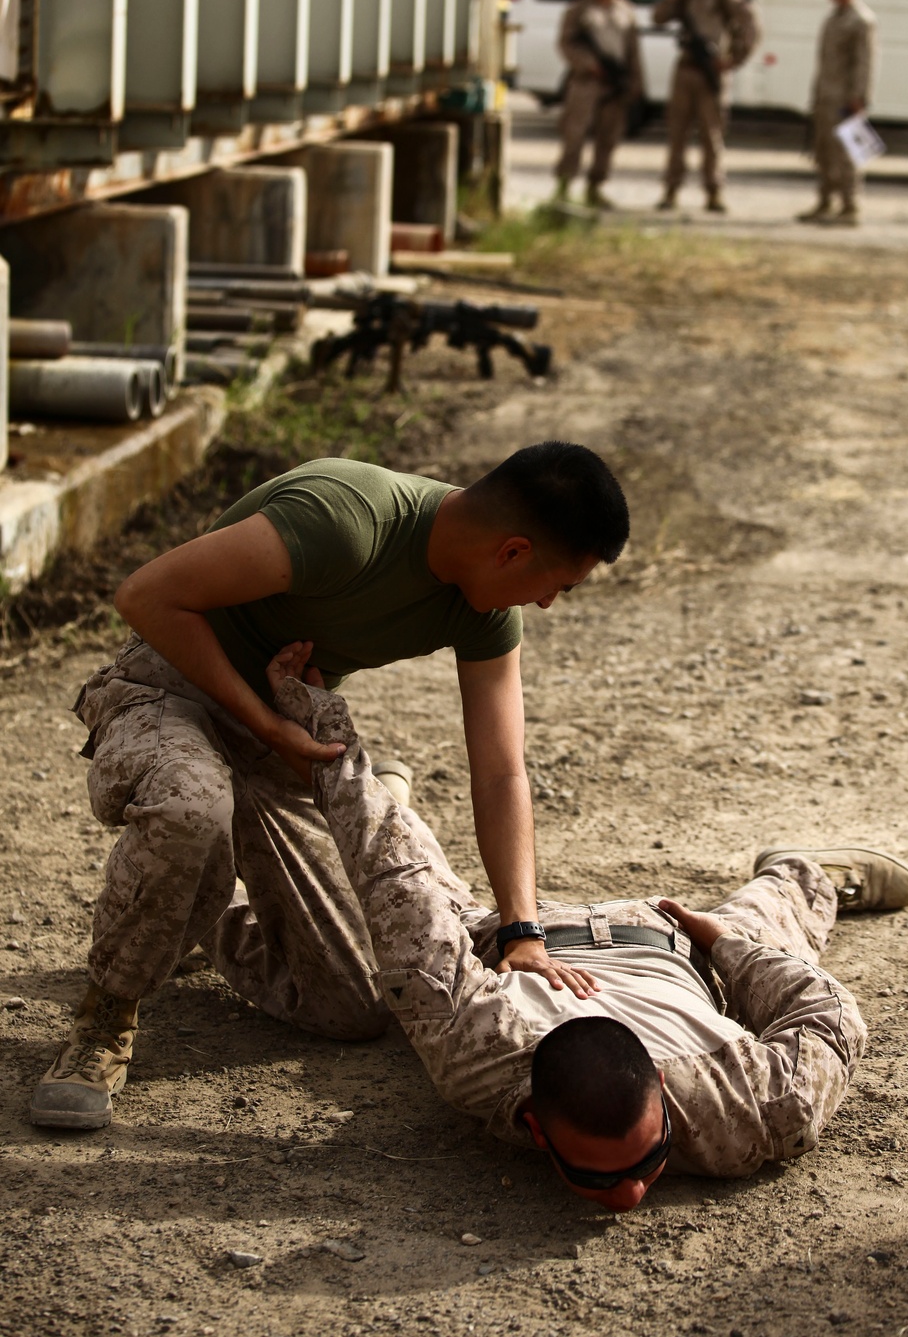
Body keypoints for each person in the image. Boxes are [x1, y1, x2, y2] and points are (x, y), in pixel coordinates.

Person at [106, 667, 908, 1210]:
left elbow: (829, 1016)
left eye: (645, 1158)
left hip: (676, 940)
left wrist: (724, 946)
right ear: (534, 1126)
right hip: (531, 935)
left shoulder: (739, 1105)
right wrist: (322, 726)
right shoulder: (491, 1053)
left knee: (771, 920)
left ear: (667, 1101)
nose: (633, 1194)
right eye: (607, 1172)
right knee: (366, 965)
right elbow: (397, 883)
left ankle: (804, 872)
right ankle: (208, 904)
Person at [30, 443, 630, 1131]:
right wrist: (267, 722)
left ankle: (197, 905)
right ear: (513, 551)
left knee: (352, 1002)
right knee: (192, 807)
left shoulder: (487, 610)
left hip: (279, 731)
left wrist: (524, 931)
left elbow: (501, 770)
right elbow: (145, 595)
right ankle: (105, 1017)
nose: (548, 601)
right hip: (166, 690)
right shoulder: (345, 518)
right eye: (557, 583)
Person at [651, 0, 759, 214]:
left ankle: (713, 192)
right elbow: (658, 17)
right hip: (686, 72)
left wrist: (734, 60)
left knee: (711, 136)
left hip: (712, 74)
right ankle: (671, 189)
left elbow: (751, 28)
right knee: (677, 133)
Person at [553, 0, 642, 209]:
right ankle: (564, 186)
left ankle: (595, 187)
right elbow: (566, 43)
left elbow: (633, 50)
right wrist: (588, 64)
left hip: (615, 84)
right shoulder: (579, 9)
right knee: (575, 134)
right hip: (586, 82)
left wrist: (635, 82)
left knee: (608, 137)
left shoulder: (625, 10)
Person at [798, 0, 877, 227]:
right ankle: (825, 201)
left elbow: (864, 62)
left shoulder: (860, 20)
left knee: (846, 154)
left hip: (845, 97)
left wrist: (859, 96)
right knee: (822, 151)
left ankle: (850, 205)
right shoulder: (834, 17)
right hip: (826, 94)